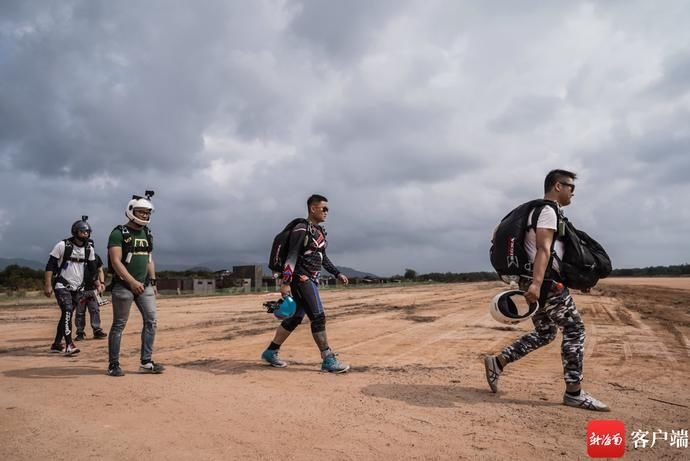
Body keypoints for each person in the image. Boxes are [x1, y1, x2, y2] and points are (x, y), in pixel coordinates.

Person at [483, 169, 610, 411]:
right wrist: (538, 285)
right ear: (557, 186)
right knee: (574, 329)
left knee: (546, 332)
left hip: (536, 281)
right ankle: (574, 392)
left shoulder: (537, 211)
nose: (573, 191)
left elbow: (554, 254)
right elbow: (543, 251)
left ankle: (498, 362)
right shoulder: (548, 212)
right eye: (570, 186)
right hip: (545, 284)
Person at [261, 194, 351, 373]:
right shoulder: (302, 229)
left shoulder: (318, 232)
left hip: (311, 279)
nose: (326, 212)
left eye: (328, 209)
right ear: (313, 208)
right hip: (301, 279)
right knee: (318, 316)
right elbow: (291, 256)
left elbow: (323, 258)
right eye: (323, 208)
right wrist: (286, 282)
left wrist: (337, 273)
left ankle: (270, 351)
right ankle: (327, 359)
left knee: (295, 318)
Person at [106, 192, 164, 377]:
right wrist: (131, 282)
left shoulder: (147, 233)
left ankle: (146, 362)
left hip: (144, 286)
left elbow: (149, 259)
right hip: (123, 286)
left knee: (152, 321)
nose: (145, 216)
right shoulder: (118, 233)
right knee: (119, 325)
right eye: (141, 212)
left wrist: (153, 282)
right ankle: (113, 365)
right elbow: (116, 262)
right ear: (131, 211)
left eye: (147, 213)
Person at [44, 217, 101, 356]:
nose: (85, 234)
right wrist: (47, 285)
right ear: (75, 232)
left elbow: (94, 269)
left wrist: (97, 283)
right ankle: (69, 344)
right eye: (82, 231)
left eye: (87, 232)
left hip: (78, 288)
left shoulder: (89, 249)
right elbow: (50, 265)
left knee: (66, 314)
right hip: (61, 285)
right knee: (68, 310)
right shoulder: (63, 245)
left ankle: (57, 344)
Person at [75, 252, 108, 341]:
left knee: (95, 310)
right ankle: (80, 332)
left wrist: (102, 282)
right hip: (79, 289)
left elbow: (100, 270)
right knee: (80, 312)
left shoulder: (96, 257)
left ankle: (97, 330)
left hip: (92, 289)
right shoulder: (77, 255)